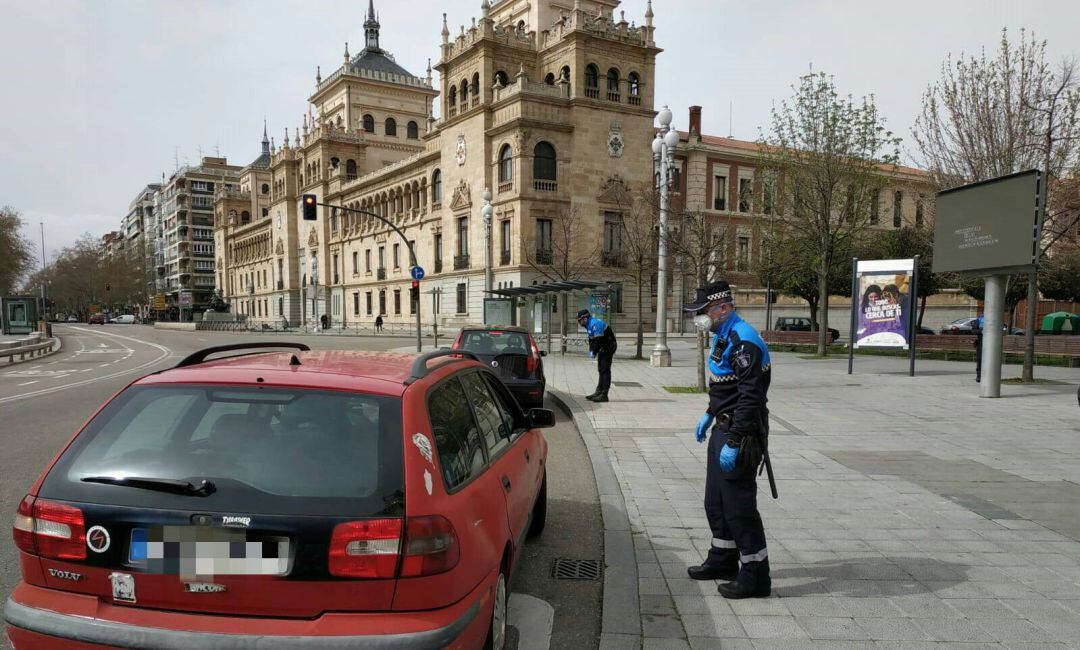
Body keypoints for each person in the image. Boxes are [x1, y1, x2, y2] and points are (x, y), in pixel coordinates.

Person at [683, 280, 772, 599]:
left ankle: (755, 576)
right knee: (716, 502)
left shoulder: (743, 339)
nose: (699, 318)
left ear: (722, 308)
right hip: (724, 426)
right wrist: (710, 413)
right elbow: (726, 385)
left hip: (741, 431)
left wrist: (735, 440)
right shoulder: (723, 335)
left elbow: (750, 397)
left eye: (703, 312)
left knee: (739, 506)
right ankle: (723, 559)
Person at [576, 309, 617, 402]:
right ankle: (598, 391)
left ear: (585, 318)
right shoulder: (588, 325)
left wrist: (594, 351)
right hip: (603, 346)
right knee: (600, 369)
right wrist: (591, 350)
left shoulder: (595, 324)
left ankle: (604, 394)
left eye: (579, 320)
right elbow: (592, 340)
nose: (578, 322)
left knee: (605, 370)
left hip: (609, 345)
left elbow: (598, 340)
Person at [974, 311, 984, 382]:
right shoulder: (979, 320)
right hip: (981, 342)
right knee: (980, 359)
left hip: (991, 344)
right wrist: (981, 331)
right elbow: (973, 330)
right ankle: (979, 376)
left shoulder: (994, 319)